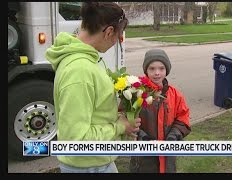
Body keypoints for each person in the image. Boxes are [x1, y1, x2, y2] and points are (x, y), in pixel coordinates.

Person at [45, 2, 141, 173]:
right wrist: (120, 126)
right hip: (89, 166)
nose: (116, 42)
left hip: (97, 161)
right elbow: (77, 140)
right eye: (118, 36)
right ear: (109, 31)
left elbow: (91, 109)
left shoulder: (88, 60)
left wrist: (118, 111)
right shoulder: (79, 71)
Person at [129, 49, 191, 173]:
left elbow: (183, 119)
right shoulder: (135, 93)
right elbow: (125, 118)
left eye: (161, 68)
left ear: (166, 70)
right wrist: (141, 136)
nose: (157, 73)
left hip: (167, 156)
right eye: (152, 68)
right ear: (146, 70)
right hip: (143, 157)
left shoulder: (175, 95)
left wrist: (173, 136)